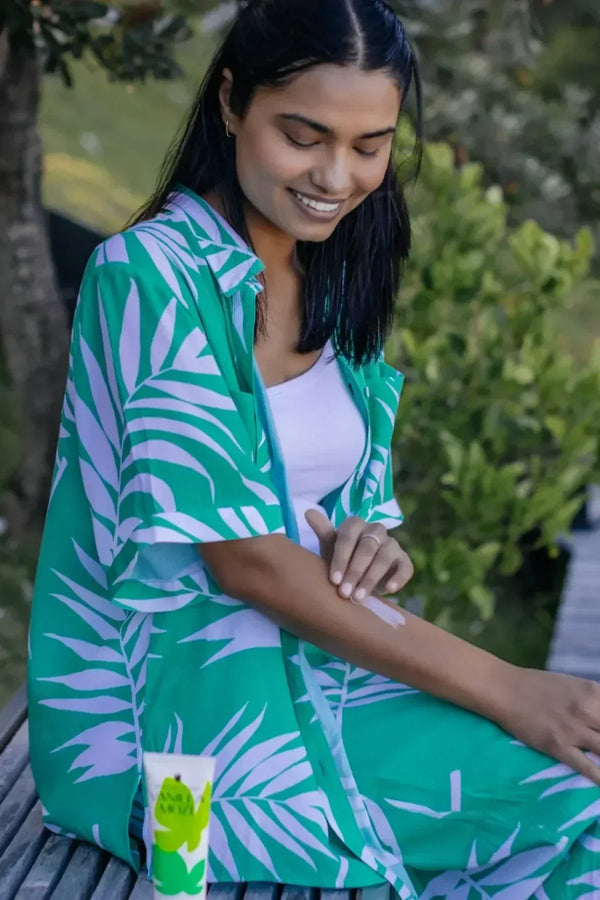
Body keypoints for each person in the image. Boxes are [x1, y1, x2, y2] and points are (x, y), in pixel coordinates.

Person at [28, 0, 600, 896]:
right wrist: (509, 688)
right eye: (304, 135)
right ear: (231, 103)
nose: (337, 174)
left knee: (582, 799)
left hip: (325, 689)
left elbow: (326, 506)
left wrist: (366, 534)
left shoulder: (336, 261)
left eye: (370, 145)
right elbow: (247, 561)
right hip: (179, 754)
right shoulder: (147, 277)